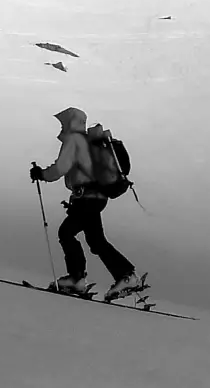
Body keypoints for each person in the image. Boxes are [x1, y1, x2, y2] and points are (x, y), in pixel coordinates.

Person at [29, 106, 142, 301]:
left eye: (63, 122)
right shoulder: (86, 141)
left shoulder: (74, 140)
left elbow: (61, 167)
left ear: (69, 122)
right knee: (96, 241)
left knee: (66, 233)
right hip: (94, 198)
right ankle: (123, 275)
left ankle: (81, 278)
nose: (61, 126)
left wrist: (42, 174)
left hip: (87, 198)